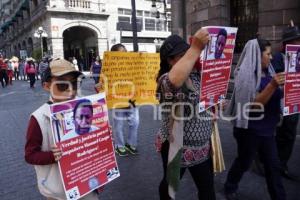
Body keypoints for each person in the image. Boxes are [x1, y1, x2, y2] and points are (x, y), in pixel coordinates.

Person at [24, 58, 99, 200]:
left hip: (87, 185)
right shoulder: (39, 117)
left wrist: (103, 138)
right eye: (63, 86)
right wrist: (52, 156)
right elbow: (30, 155)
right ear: (47, 86)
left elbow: (92, 139)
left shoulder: (86, 107)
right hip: (58, 193)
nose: (70, 90)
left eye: (75, 84)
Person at [156, 30, 216, 200]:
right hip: (176, 147)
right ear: (169, 61)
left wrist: (213, 107)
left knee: (207, 189)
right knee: (170, 187)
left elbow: (205, 101)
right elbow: (172, 83)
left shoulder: (198, 74)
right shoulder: (165, 80)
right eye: (182, 56)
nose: (190, 59)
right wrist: (195, 48)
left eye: (188, 53)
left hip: (201, 147)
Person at [224, 39, 286, 200]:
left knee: (273, 167)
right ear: (257, 56)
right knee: (244, 161)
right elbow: (252, 106)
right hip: (250, 131)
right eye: (268, 54)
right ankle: (230, 185)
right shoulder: (245, 76)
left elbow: (278, 95)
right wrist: (272, 86)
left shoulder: (269, 71)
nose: (271, 58)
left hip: (268, 130)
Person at [271, 25, 300, 180]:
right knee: (279, 135)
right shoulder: (277, 58)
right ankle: (272, 163)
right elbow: (273, 80)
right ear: (287, 44)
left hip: (295, 103)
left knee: (290, 135)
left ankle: (282, 164)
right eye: (296, 42)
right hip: (282, 104)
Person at [110, 43, 140, 156]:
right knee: (118, 125)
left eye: (125, 52)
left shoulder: (132, 65)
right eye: (120, 53)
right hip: (117, 102)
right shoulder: (110, 68)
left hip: (132, 101)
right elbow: (104, 84)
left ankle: (131, 143)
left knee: (135, 123)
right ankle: (120, 145)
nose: (124, 55)